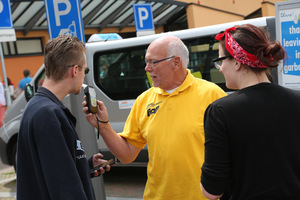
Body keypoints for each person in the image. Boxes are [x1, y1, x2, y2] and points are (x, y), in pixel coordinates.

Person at [82, 36, 227, 200]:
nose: (146, 68)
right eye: (146, 62)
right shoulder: (144, 100)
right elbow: (127, 155)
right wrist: (103, 125)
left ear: (176, 62)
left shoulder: (213, 95)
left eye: (153, 62)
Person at [200, 24, 300, 200]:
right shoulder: (296, 99)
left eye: (220, 61)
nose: (221, 68)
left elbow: (212, 191)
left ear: (237, 62)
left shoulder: (220, 111)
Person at [17, 35, 112, 200]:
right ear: (75, 70)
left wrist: (85, 166)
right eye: (85, 70)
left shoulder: (37, 106)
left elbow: (51, 170)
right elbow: (65, 189)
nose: (84, 75)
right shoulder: (48, 114)